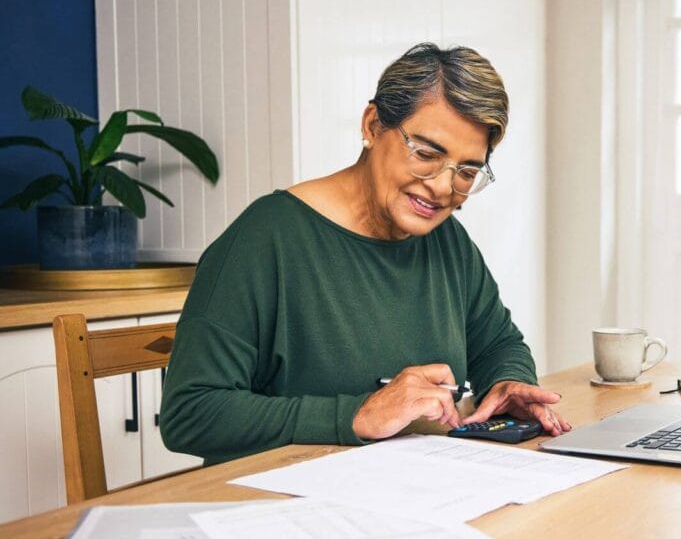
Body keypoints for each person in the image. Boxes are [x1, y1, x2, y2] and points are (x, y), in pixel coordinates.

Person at [160, 43, 569, 465]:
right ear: (373, 126)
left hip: (412, 493)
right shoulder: (265, 239)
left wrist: (508, 382)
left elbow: (498, 343)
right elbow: (190, 413)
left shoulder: (448, 241)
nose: (444, 187)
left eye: (467, 172)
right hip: (284, 505)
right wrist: (356, 415)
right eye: (426, 155)